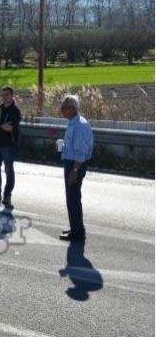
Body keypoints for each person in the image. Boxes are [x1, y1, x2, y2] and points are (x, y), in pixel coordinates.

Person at [58, 95, 93, 242]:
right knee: (71, 198)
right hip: (71, 163)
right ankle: (75, 227)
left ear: (71, 108)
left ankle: (78, 232)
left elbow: (81, 151)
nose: (61, 111)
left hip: (75, 165)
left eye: (64, 108)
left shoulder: (79, 125)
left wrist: (75, 170)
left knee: (73, 199)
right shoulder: (73, 122)